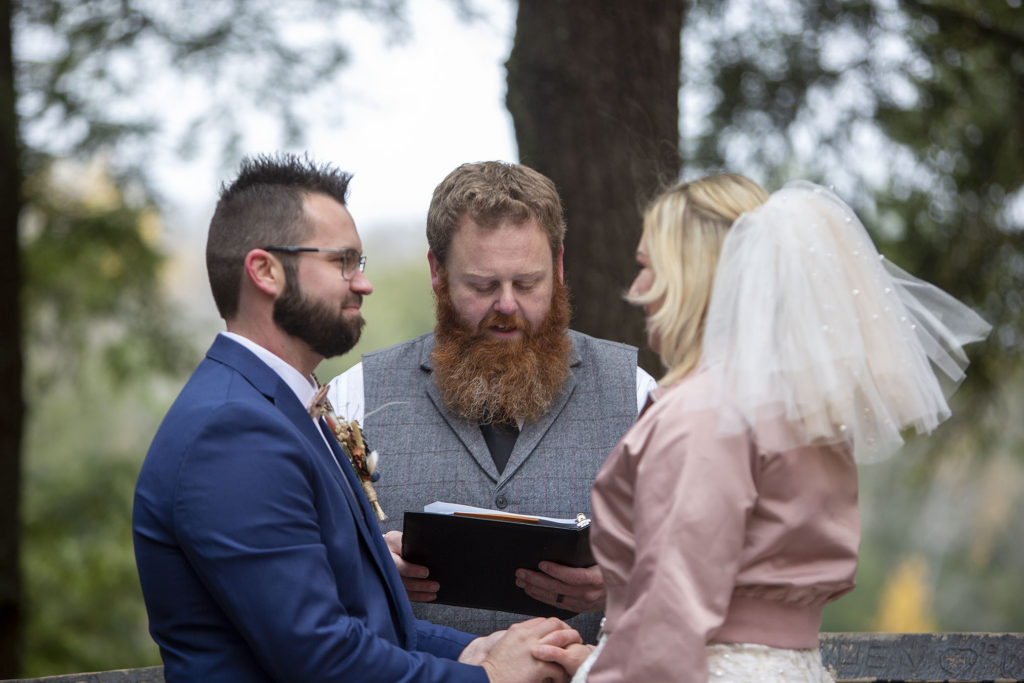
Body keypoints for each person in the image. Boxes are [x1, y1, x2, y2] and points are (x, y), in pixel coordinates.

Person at [132, 153, 583, 683]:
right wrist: (490, 678)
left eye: (360, 263)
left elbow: (368, 624)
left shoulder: (288, 410)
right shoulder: (232, 431)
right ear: (265, 271)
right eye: (342, 262)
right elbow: (321, 659)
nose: (362, 284)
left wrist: (482, 649)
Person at [533, 174, 991, 681]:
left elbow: (673, 619)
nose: (636, 291)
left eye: (647, 267)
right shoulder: (803, 412)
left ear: (697, 274)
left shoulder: (705, 415)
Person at [327, 161, 657, 642]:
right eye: (482, 286)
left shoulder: (637, 392)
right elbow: (304, 565)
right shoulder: (351, 398)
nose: (506, 305)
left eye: (527, 283)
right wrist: (364, 570)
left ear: (560, 267)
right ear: (437, 272)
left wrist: (626, 581)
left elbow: (703, 563)